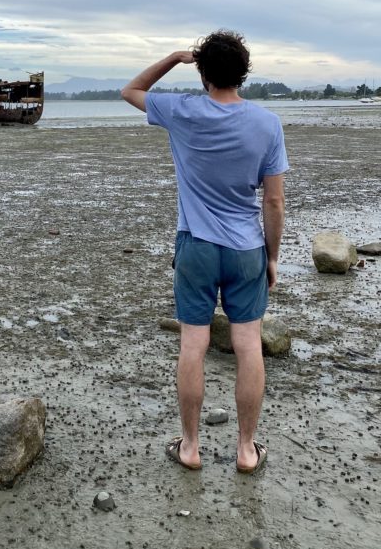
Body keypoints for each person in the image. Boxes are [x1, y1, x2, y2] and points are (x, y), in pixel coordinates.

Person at [120, 30, 287, 474]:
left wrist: (174, 58)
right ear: (244, 73)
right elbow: (273, 202)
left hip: (195, 245)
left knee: (193, 344)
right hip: (246, 248)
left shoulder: (183, 111)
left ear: (202, 71)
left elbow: (130, 90)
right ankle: (246, 450)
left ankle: (191, 447)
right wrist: (272, 257)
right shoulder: (267, 124)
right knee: (248, 346)